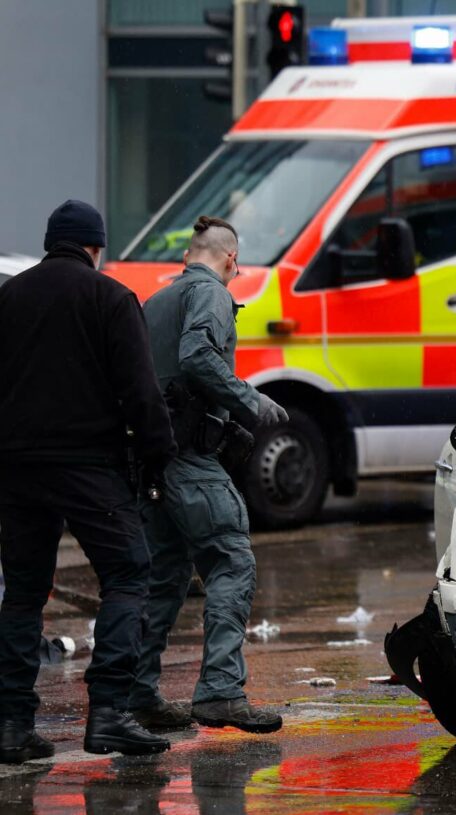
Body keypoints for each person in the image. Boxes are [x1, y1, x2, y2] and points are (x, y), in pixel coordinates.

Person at [0, 200, 176, 762]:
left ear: (51, 242)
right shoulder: (110, 298)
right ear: (96, 247)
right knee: (128, 572)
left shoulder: (9, 297)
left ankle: (11, 726)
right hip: (88, 465)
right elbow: (141, 391)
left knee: (23, 592)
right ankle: (110, 714)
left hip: (17, 467)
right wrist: (158, 455)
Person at [128, 215, 288, 733]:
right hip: (191, 461)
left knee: (164, 577)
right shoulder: (212, 294)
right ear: (231, 260)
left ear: (187, 255)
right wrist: (250, 400)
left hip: (152, 463)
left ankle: (138, 695)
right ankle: (220, 691)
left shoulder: (155, 304)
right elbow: (197, 356)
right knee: (231, 561)